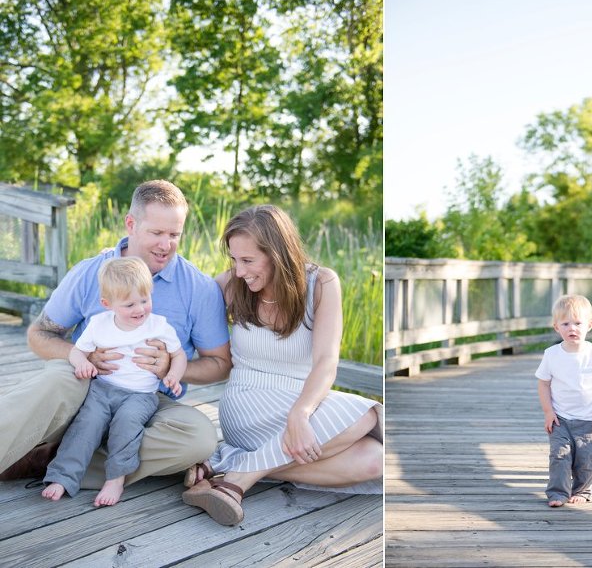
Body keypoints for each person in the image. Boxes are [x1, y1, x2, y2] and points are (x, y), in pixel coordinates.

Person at [0, 180, 231, 490]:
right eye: (156, 233)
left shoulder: (199, 288)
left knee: (198, 438)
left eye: (174, 235)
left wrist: (171, 367)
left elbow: (220, 364)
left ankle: (50, 458)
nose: (166, 245)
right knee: (57, 379)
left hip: (147, 400)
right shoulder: (90, 272)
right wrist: (81, 356)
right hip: (86, 385)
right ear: (131, 224)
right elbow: (38, 334)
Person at [181, 205, 383, 526]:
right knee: (367, 415)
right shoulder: (231, 285)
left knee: (375, 460)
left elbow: (326, 361)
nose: (239, 270)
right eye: (234, 259)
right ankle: (236, 483)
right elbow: (182, 307)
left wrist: (300, 413)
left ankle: (232, 467)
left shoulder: (321, 284)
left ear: (278, 254)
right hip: (247, 403)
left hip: (301, 404)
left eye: (248, 260)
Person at [42, 257, 186, 506]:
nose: (140, 309)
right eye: (129, 304)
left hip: (140, 395)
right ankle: (63, 477)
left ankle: (115, 479)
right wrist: (82, 363)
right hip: (102, 389)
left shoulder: (158, 326)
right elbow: (77, 351)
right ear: (107, 304)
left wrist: (174, 375)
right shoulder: (99, 325)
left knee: (127, 422)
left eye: (145, 300)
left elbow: (179, 355)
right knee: (87, 423)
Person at [535, 294, 592, 508]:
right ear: (556, 327)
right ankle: (558, 492)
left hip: (590, 420)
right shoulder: (552, 354)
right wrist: (548, 412)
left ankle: (581, 490)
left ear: (589, 325)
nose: (572, 328)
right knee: (559, 456)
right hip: (560, 418)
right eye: (565, 324)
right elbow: (543, 384)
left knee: (587, 459)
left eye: (578, 323)